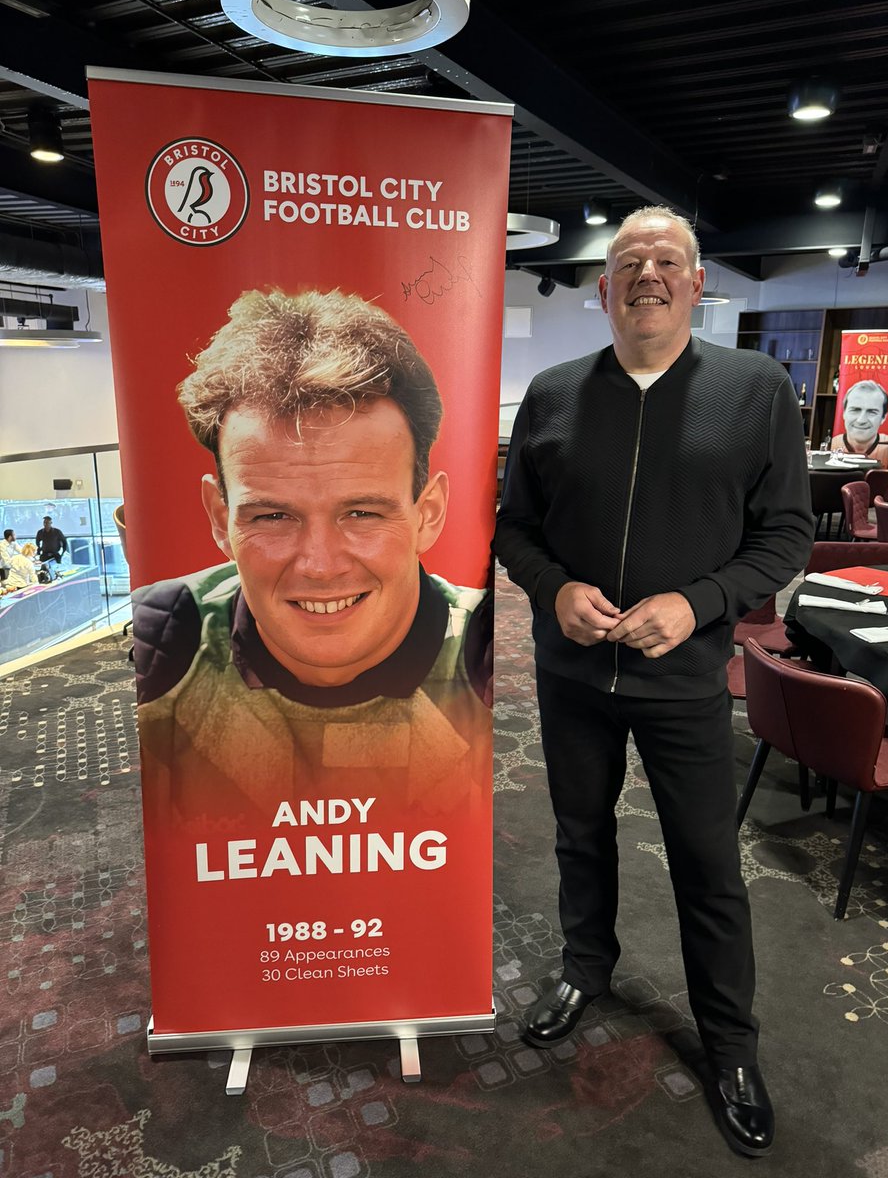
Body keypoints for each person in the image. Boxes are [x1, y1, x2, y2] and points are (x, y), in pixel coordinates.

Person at [494, 206, 814, 1158]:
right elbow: (513, 528)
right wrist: (554, 590)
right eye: (629, 262)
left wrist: (699, 601)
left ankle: (731, 1045)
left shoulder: (754, 390)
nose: (648, 274)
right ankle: (585, 967)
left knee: (708, 864)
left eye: (667, 260)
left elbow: (786, 534)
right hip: (573, 675)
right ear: (603, 289)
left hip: (685, 681)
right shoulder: (553, 393)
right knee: (579, 835)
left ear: (696, 284)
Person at [133, 288, 491, 823]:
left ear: (429, 513)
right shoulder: (161, 641)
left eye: (362, 513)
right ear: (219, 518)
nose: (320, 566)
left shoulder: (489, 650)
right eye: (273, 517)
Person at [830, 379, 888, 466]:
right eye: (855, 410)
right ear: (844, 412)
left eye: (872, 412)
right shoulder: (832, 444)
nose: (861, 420)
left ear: (884, 417)